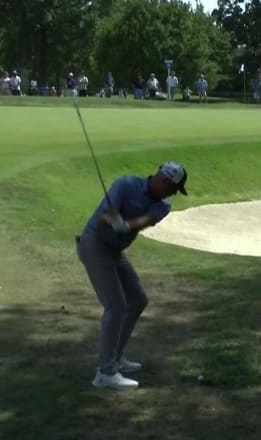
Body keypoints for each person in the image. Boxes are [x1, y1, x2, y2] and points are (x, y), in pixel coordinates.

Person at [76, 162, 189, 390]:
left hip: (115, 251)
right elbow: (102, 220)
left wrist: (125, 225)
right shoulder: (126, 184)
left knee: (138, 300)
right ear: (166, 181)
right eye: (174, 189)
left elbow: (144, 222)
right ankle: (105, 373)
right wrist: (113, 220)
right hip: (94, 245)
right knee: (115, 305)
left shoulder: (163, 206)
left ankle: (115, 357)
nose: (173, 194)